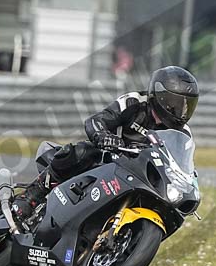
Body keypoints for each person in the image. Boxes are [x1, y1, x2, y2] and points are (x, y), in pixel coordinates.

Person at [12, 65, 199, 219]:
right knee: (82, 151)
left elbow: (183, 165)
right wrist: (103, 136)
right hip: (112, 160)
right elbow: (97, 121)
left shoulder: (183, 134)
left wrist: (189, 181)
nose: (182, 111)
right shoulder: (134, 103)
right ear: (161, 96)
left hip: (144, 175)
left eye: (186, 105)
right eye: (177, 103)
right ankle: (32, 195)